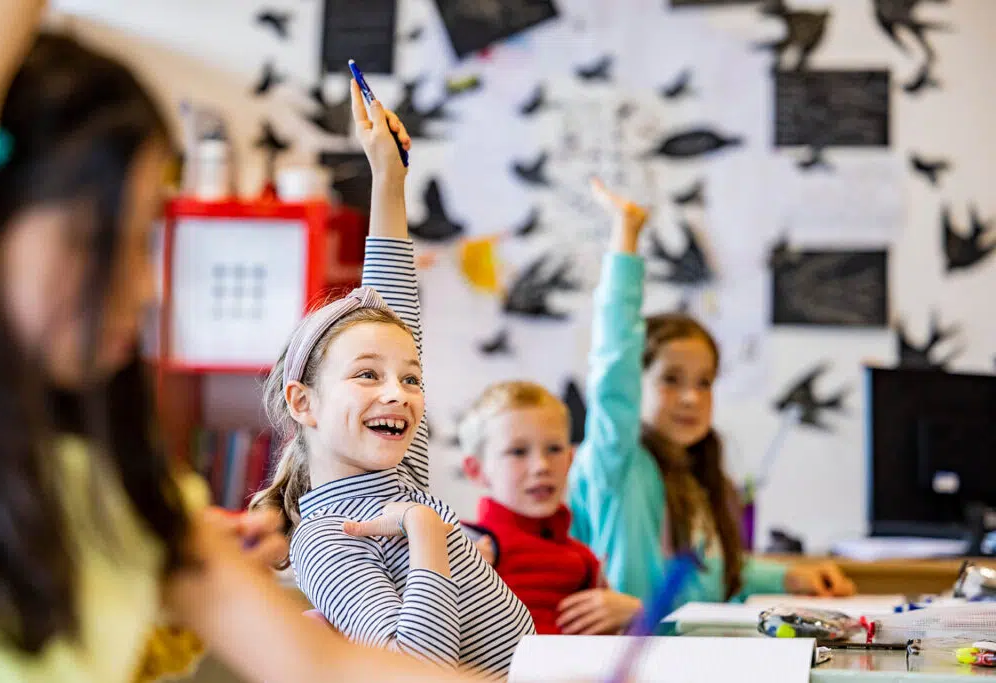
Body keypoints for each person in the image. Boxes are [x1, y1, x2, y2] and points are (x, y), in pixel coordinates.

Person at [0, 9, 505, 683]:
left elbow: (324, 667)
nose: (145, 287)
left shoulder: (130, 491)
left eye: (145, 242)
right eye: (95, 241)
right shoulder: (334, 533)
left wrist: (388, 183)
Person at [249, 79, 534, 678]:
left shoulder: (396, 475)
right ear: (305, 403)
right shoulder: (327, 540)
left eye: (410, 378)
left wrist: (389, 176)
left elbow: (391, 305)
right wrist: (424, 531)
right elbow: (416, 669)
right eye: (367, 375)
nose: (397, 393)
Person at [568, 179, 856, 606]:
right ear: (636, 382)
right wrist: (626, 234)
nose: (691, 398)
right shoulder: (617, 462)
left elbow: (713, 575)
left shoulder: (696, 475)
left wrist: (790, 577)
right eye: (671, 380)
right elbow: (613, 364)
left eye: (704, 382)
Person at [460, 380, 643, 636]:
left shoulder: (586, 560)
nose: (541, 466)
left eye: (554, 449)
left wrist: (634, 614)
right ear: (476, 470)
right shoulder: (463, 548)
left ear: (570, 459)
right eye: (518, 451)